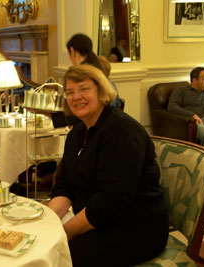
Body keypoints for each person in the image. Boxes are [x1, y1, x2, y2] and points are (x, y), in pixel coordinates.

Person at [48, 65, 169, 266]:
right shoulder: (75, 134)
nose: (76, 96)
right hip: (98, 220)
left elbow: (111, 202)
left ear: (101, 91)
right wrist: (47, 223)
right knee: (45, 245)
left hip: (136, 227)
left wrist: (62, 233)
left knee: (60, 256)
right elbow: (65, 186)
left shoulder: (122, 131)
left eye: (84, 89)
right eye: (70, 92)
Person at [168, 67, 204, 146]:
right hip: (194, 124)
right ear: (194, 80)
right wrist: (192, 115)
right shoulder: (181, 90)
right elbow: (172, 106)